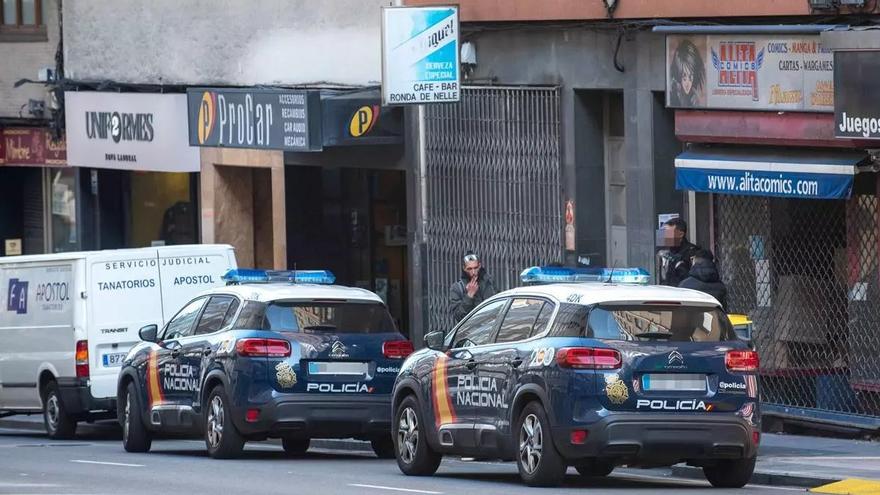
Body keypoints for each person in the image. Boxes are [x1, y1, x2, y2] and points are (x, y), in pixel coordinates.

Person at [449, 252, 497, 323]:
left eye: (475, 268)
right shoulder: (457, 288)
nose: (473, 272)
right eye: (470, 269)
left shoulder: (489, 282)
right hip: (472, 330)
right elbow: (459, 316)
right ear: (464, 268)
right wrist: (469, 296)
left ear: (479, 266)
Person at [657, 217, 700, 287]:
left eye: (669, 233)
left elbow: (694, 280)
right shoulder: (666, 252)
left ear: (681, 234)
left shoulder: (692, 252)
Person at [669, 39, 706, 108]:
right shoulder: (673, 95)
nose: (687, 84)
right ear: (679, 76)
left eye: (690, 78)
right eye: (684, 78)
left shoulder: (694, 98)